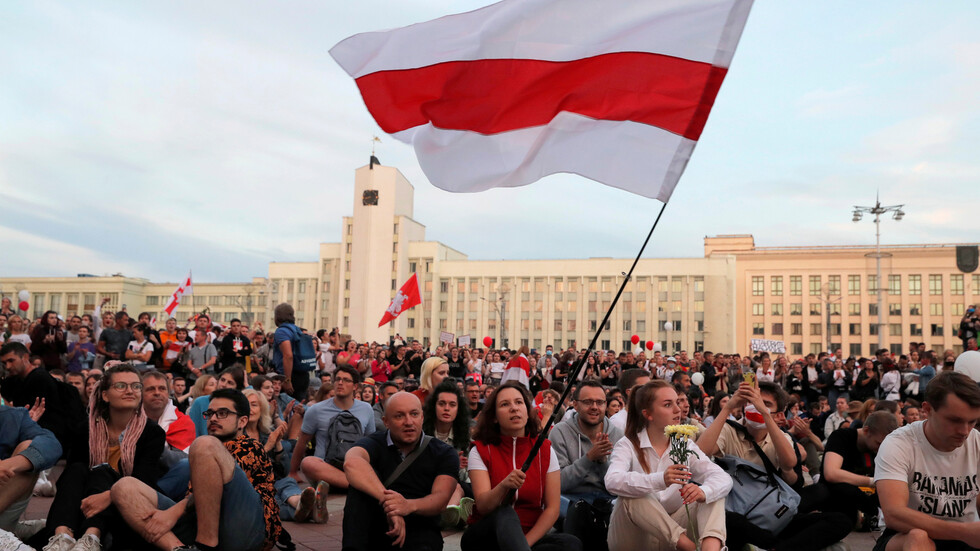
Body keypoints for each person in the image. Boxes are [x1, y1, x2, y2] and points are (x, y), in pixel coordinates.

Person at [111, 388, 281, 551]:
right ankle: (177, 548)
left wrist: (172, 513)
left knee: (203, 443)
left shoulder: (251, 446)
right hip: (200, 524)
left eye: (222, 413)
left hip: (247, 529)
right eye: (210, 414)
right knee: (124, 487)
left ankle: (205, 545)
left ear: (242, 421)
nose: (213, 418)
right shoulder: (206, 451)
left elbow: (219, 489)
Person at [698, 380, 851, 551]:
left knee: (840, 520)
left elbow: (790, 463)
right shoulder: (729, 430)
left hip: (772, 511)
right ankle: (777, 546)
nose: (756, 406)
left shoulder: (780, 437)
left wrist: (765, 414)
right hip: (740, 512)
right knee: (727, 520)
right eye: (753, 401)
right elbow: (701, 452)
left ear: (777, 412)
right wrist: (727, 408)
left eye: (766, 404)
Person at [40, 362, 166, 551]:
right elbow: (70, 480)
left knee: (102, 472)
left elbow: (143, 480)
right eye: (121, 386)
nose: (130, 391)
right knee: (78, 469)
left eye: (136, 386)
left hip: (127, 507)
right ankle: (62, 536)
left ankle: (92, 538)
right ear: (105, 395)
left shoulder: (152, 433)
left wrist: (109, 496)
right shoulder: (85, 429)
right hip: (84, 503)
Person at [604, 380, 730, 551]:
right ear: (648, 414)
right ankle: (689, 547)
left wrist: (703, 492)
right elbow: (612, 481)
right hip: (635, 537)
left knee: (712, 493)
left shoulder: (683, 444)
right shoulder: (628, 444)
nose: (678, 410)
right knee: (633, 494)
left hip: (675, 527)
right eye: (668, 404)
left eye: (677, 402)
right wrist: (660, 480)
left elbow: (722, 477)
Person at [461, 382, 581, 551]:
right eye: (505, 404)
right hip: (487, 537)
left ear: (527, 410)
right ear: (494, 417)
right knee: (505, 512)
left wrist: (524, 545)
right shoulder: (481, 450)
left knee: (571, 543)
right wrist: (504, 486)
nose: (514, 408)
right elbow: (483, 506)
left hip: (529, 538)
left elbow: (552, 509)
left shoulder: (545, 449)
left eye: (519, 402)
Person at [873, 371, 980, 551]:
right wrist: (964, 532)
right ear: (928, 410)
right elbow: (894, 514)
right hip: (904, 535)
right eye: (955, 420)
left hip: (964, 537)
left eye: (972, 422)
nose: (965, 431)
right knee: (918, 537)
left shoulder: (976, 443)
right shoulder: (899, 443)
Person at [342, 392, 459, 550]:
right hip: (375, 527)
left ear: (422, 417)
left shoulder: (443, 453)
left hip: (419, 529)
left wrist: (407, 506)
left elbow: (440, 499)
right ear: (386, 422)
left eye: (414, 414)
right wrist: (393, 507)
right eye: (399, 416)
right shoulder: (375, 442)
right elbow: (352, 463)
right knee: (359, 485)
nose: (409, 422)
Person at [550, 380, 623, 547]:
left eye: (600, 402)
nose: (594, 407)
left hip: (607, 500)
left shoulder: (617, 434)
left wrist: (603, 461)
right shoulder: (560, 432)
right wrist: (589, 458)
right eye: (588, 402)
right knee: (579, 513)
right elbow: (558, 483)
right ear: (575, 405)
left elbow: (618, 484)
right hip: (571, 499)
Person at [290, 364, 375, 491]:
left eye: (346, 380)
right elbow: (302, 442)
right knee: (308, 463)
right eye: (337, 379)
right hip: (325, 470)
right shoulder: (316, 410)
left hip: (354, 467)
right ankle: (359, 486)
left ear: (355, 387)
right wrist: (292, 472)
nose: (340, 383)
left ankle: (356, 484)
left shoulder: (366, 409)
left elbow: (370, 443)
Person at [1, 342, 87, 459]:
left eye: (11, 361)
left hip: (46, 442)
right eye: (4, 363)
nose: (8, 366)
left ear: (25, 357)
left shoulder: (40, 379)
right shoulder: (14, 381)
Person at [818, 410, 899, 528]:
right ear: (866, 431)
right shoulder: (841, 437)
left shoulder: (883, 447)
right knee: (841, 486)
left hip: (866, 498)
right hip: (839, 495)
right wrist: (872, 481)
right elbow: (831, 474)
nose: (881, 448)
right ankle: (876, 514)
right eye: (878, 443)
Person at [0, 403, 62, 549]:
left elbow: (51, 445)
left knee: (29, 448)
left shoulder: (12, 416)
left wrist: (8, 465)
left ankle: (6, 529)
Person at [421, 381, 474, 527]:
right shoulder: (421, 435)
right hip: (426, 486)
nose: (446, 408)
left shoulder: (466, 440)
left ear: (458, 409)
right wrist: (446, 464)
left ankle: (448, 514)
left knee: (455, 485)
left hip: (456, 486)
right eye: (442, 403)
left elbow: (467, 479)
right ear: (434, 406)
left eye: (452, 405)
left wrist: (455, 468)